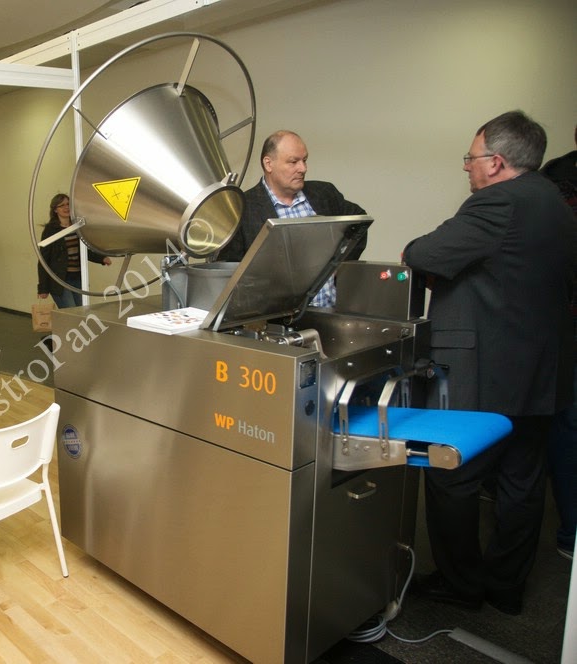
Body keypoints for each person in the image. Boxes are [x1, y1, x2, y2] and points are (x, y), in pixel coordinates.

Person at [403, 111, 575, 615]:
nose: (466, 167)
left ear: (496, 162)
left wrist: (431, 263)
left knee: (450, 475)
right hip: (541, 371)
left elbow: (422, 254)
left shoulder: (497, 202)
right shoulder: (555, 203)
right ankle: (505, 587)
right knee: (523, 482)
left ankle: (461, 585)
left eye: (471, 157)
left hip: (484, 371)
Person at [216, 131, 366, 306]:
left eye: (304, 160)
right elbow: (229, 272)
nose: (303, 168)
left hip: (332, 312)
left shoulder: (324, 194)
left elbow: (361, 221)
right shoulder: (242, 209)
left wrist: (342, 264)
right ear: (268, 164)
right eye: (293, 162)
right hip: (279, 317)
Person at [542, 124, 577, 560]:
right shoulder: (557, 180)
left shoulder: (551, 180)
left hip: (561, 321)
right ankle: (571, 532)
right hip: (564, 323)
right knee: (567, 424)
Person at [37, 193, 112, 308]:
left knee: (82, 311)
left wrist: (102, 258)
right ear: (55, 210)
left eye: (68, 204)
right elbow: (43, 260)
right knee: (71, 311)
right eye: (62, 205)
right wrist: (43, 288)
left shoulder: (77, 226)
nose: (66, 207)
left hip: (78, 278)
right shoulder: (50, 230)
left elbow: (84, 251)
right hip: (60, 281)